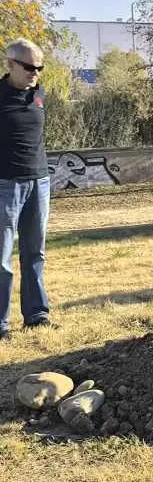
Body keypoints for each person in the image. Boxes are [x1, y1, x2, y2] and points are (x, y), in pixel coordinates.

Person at [0, 38, 52, 339]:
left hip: (39, 183)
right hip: (5, 185)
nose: (35, 73)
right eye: (29, 67)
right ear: (10, 64)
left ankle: (36, 314)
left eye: (39, 68)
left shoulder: (39, 95)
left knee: (35, 253)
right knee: (2, 257)